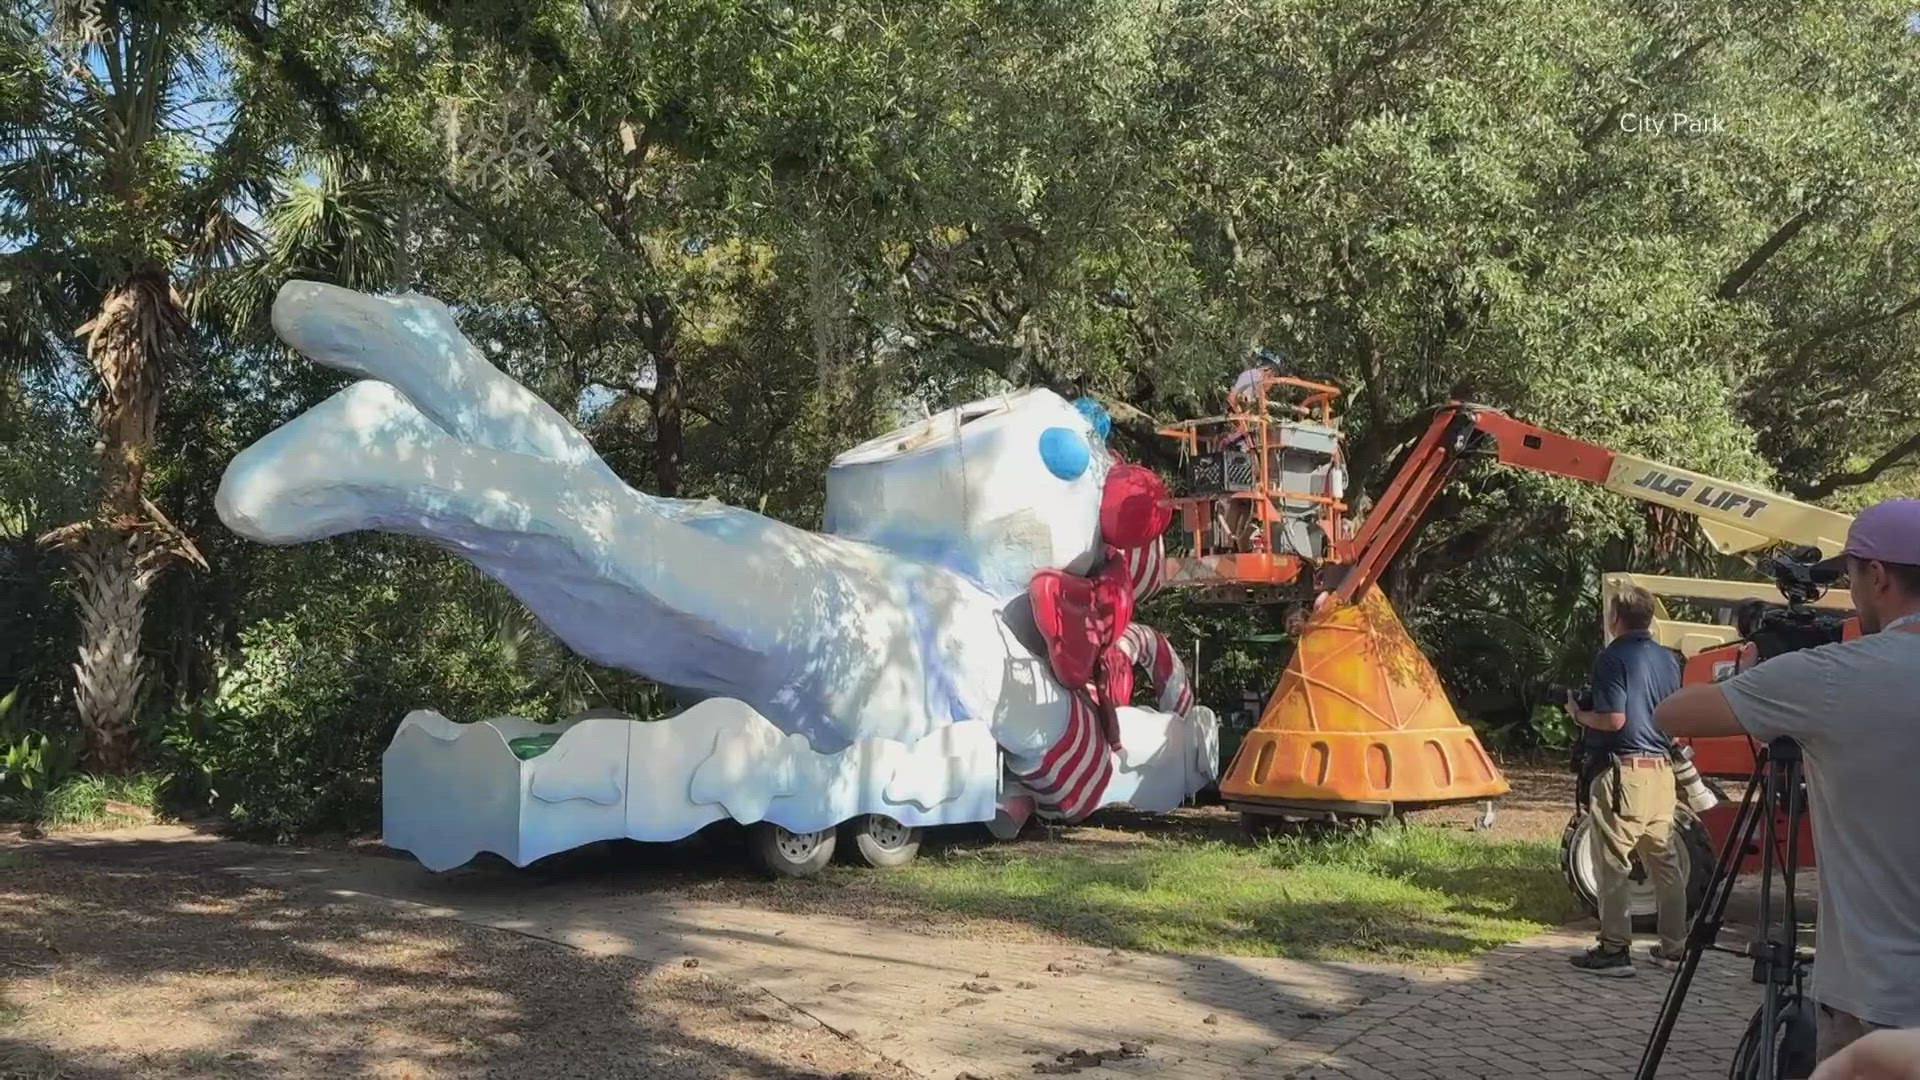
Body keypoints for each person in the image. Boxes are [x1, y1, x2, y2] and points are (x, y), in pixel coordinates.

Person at [1655, 498, 1920, 1064]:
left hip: (1878, 998)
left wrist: (1758, 673)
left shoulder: (1829, 679)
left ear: (1876, 576)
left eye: (1850, 576)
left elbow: (1673, 714)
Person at [1565, 584, 1687, 976]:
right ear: (1650, 617)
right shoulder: (1670, 660)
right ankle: (1674, 949)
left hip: (1626, 771)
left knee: (1612, 860)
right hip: (1662, 772)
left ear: (1615, 618)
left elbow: (1614, 719)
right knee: (1664, 862)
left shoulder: (1612, 658)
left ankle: (1615, 949)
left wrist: (1579, 715)